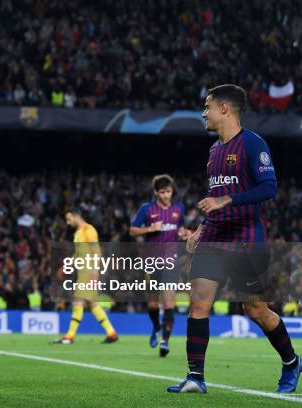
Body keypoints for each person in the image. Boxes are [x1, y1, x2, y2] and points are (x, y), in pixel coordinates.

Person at [168, 84, 300, 394]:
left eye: (207, 106)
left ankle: (292, 362)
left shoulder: (254, 144)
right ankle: (195, 377)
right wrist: (201, 228)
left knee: (255, 311)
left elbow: (269, 187)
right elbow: (214, 198)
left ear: (225, 109)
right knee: (198, 304)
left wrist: (226, 200)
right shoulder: (214, 150)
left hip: (245, 239)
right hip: (214, 237)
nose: (204, 112)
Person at [130, 174, 191, 357]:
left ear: (172, 192)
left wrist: (184, 233)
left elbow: (180, 228)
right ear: (156, 192)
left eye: (168, 191)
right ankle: (156, 326)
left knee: (169, 301)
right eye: (162, 192)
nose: (165, 195)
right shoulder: (146, 209)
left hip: (171, 261)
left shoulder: (179, 209)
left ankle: (165, 341)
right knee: (152, 303)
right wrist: (150, 229)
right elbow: (133, 230)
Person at [53, 208, 119, 345]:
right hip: (83, 272)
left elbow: (97, 253)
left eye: (68, 219)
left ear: (76, 216)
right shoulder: (78, 233)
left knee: (78, 302)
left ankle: (69, 336)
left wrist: (95, 273)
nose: (67, 222)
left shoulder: (89, 230)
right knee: (92, 304)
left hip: (89, 273)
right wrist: (66, 266)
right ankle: (111, 333)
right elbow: (77, 254)